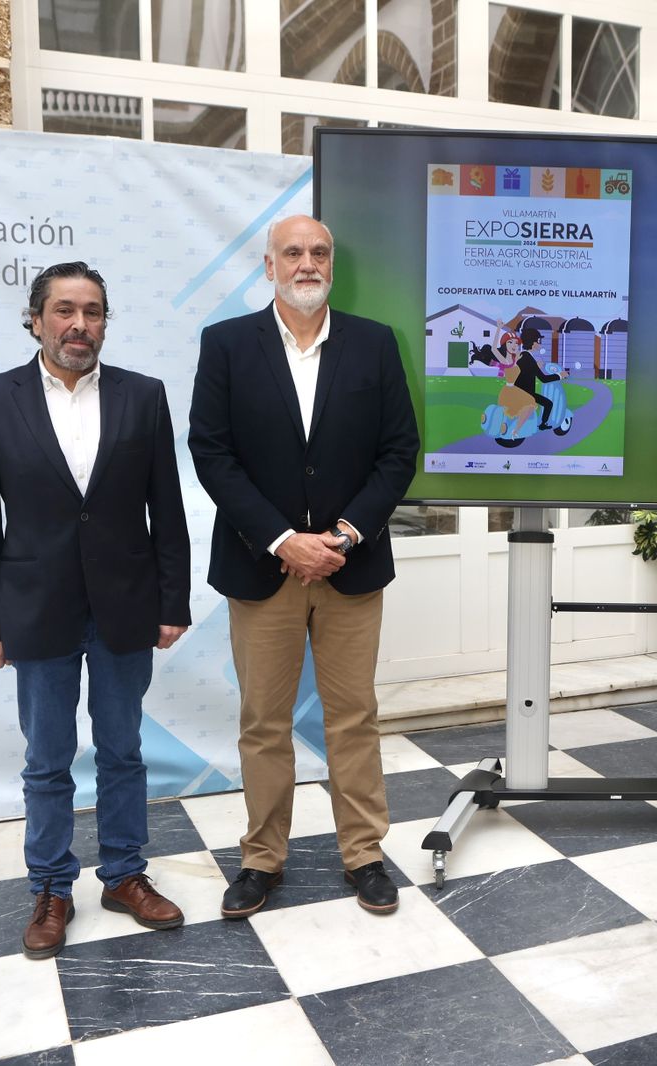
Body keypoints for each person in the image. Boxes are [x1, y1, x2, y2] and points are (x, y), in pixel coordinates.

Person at [0, 261, 192, 960]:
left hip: (125, 604)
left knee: (123, 751)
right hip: (35, 610)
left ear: (105, 323)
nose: (78, 324)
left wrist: (171, 601)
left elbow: (168, 511)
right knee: (47, 758)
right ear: (36, 319)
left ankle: (124, 874)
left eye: (92, 312)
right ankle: (52, 887)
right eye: (64, 310)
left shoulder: (142, 397)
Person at [189, 215, 418, 918]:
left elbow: (398, 451)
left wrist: (343, 535)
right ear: (269, 266)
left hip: (351, 567)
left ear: (331, 265)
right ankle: (261, 859)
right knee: (264, 721)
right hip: (266, 570)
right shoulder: (226, 345)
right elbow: (212, 453)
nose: (307, 263)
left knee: (354, 718)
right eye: (294, 252)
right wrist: (283, 538)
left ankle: (364, 855)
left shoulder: (375, 345)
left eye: (319, 252)